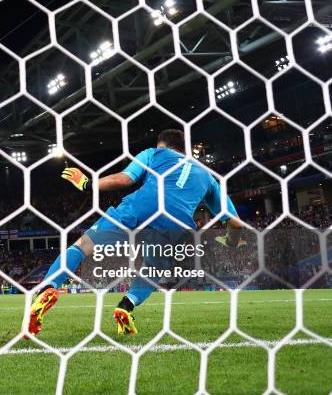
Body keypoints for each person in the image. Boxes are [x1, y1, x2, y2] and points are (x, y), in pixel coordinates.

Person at [28, 129, 246, 336]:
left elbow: (124, 179)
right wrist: (231, 243)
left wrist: (87, 184)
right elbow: (236, 224)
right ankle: (126, 305)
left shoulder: (153, 153)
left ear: (162, 144)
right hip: (176, 224)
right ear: (184, 148)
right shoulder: (208, 177)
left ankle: (49, 286)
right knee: (152, 271)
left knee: (83, 246)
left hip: (140, 207)